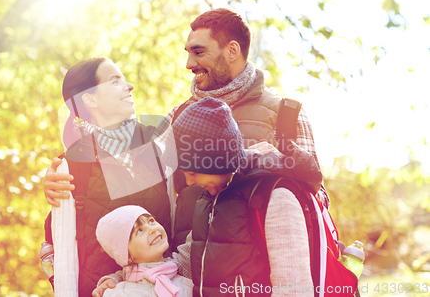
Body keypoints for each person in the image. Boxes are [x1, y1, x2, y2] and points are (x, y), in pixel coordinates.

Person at [44, 7, 328, 250]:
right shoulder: (176, 118)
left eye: (199, 52)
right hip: (188, 278)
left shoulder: (286, 115)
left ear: (232, 51)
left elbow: (316, 202)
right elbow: (123, 175)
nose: (189, 63)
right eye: (188, 52)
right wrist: (62, 179)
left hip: (262, 275)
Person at [96, 97, 321, 296]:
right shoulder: (209, 201)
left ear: (217, 162)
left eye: (192, 172)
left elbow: (293, 289)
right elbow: (178, 263)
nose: (190, 182)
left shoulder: (276, 197)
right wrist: (120, 280)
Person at [43, 57, 171, 297]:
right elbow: (62, 252)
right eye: (115, 81)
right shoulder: (69, 166)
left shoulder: (158, 144)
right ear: (90, 99)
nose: (129, 85)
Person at [94, 205, 193, 297]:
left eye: (150, 221)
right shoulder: (116, 294)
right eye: (139, 231)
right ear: (127, 256)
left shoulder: (188, 284)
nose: (152, 229)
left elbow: (197, 239)